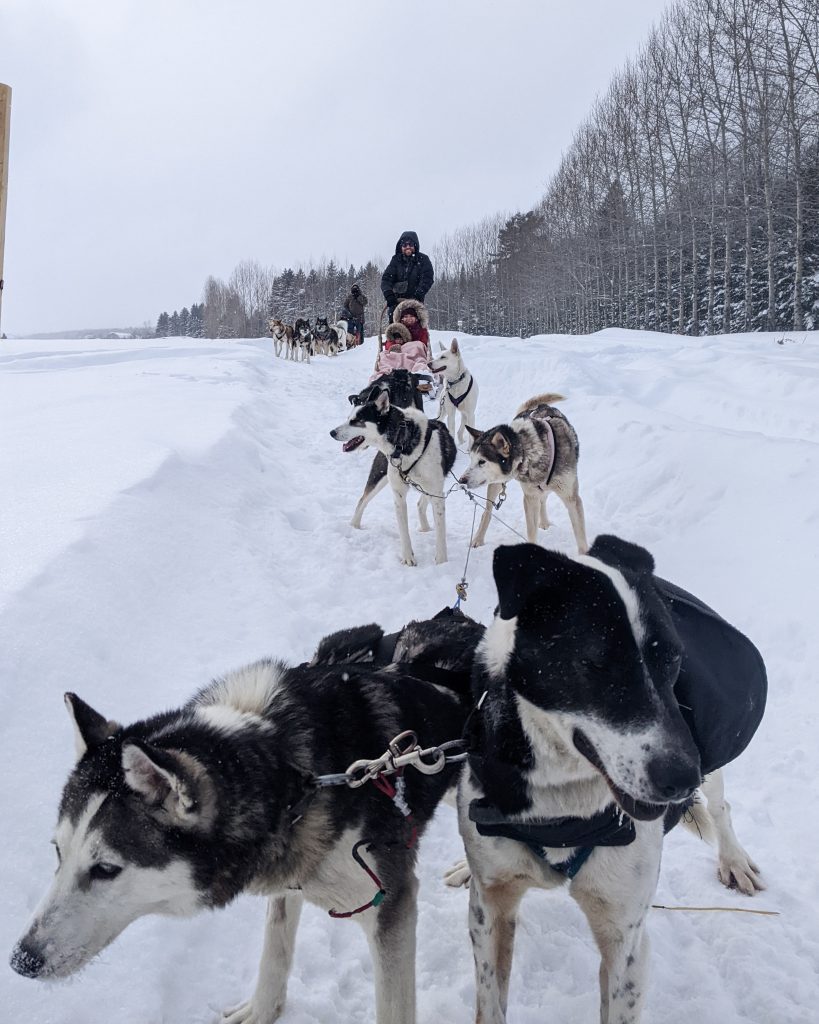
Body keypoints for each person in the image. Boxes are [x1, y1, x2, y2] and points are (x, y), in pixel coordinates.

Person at [381, 231, 434, 325]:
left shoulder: (423, 260)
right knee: (395, 332)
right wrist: (389, 295)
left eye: (410, 244)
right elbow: (386, 279)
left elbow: (427, 278)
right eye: (404, 244)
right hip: (396, 304)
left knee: (417, 330)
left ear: (415, 245)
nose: (407, 246)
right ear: (401, 247)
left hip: (416, 303)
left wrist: (418, 294)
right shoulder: (396, 260)